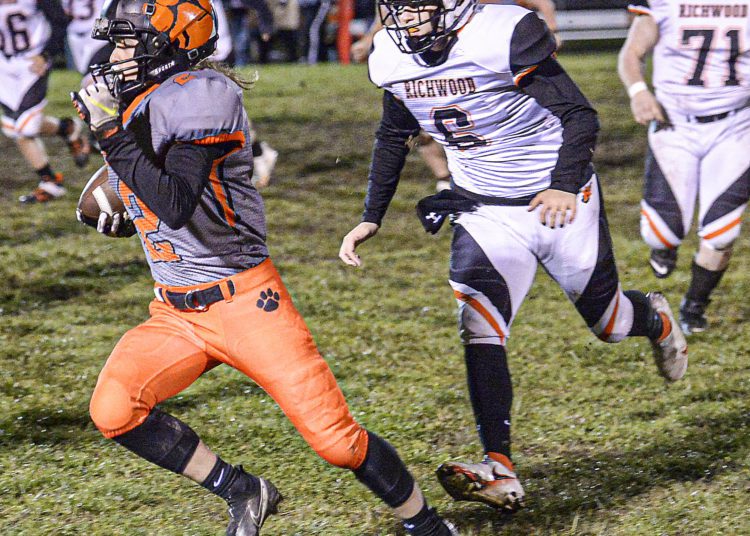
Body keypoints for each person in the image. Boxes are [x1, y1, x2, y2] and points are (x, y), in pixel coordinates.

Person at [71, 1, 456, 535]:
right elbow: (154, 195)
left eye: (127, 41)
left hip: (246, 302)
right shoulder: (147, 98)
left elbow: (176, 202)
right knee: (114, 410)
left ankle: (427, 525)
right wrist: (126, 205)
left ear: (170, 45)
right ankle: (241, 489)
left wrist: (111, 134)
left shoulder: (202, 94)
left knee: (337, 443)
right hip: (176, 310)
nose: (113, 53)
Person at [339, 0, 688, 513]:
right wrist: (372, 214)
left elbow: (578, 114)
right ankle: (498, 466)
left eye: (418, 6)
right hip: (483, 209)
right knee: (478, 324)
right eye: (397, 6)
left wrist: (565, 185)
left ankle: (654, 318)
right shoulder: (392, 53)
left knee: (609, 322)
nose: (406, 19)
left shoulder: (500, 32)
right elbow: (394, 132)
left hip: (555, 200)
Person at [618, 0, 750, 334]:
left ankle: (694, 307)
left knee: (722, 233)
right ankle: (665, 246)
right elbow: (632, 52)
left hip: (735, 125)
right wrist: (638, 91)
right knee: (659, 232)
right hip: (674, 122)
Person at [350, 0, 560, 193]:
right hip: (436, 60)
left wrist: (551, 30)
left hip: (489, 68)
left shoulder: (492, 26)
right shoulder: (398, 42)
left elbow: (542, 3)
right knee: (422, 125)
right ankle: (444, 177)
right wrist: (370, 39)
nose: (405, 16)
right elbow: (390, 13)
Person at [0, 0, 90, 204]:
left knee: (24, 125)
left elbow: (59, 21)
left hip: (32, 62)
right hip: (3, 65)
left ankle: (51, 181)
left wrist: (47, 53)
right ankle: (64, 132)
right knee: (14, 127)